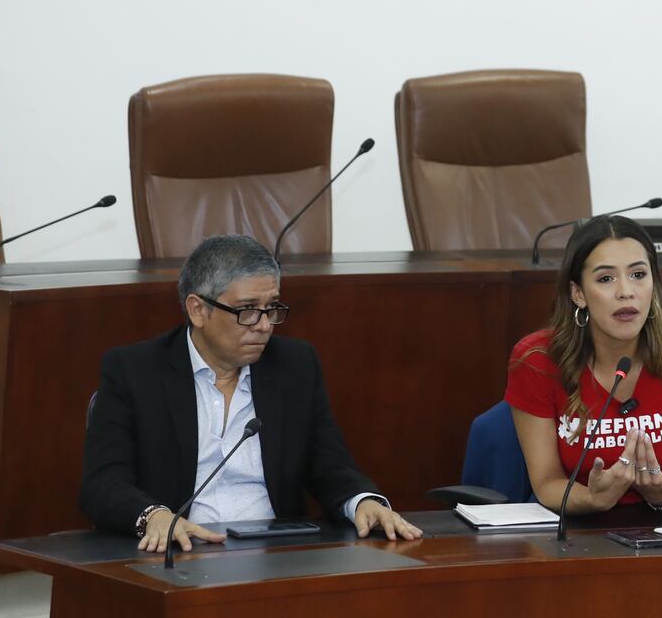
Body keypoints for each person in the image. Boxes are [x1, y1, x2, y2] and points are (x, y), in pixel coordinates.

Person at [80, 234, 421, 553]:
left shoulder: (295, 365)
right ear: (198, 310)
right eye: (247, 310)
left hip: (276, 553)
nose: (264, 325)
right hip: (182, 550)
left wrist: (363, 502)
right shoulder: (135, 371)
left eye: (272, 307)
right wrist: (153, 516)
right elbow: (102, 483)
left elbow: (328, 463)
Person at [506, 215, 662, 513]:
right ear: (578, 293)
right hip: (574, 529)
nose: (626, 291)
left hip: (661, 528)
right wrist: (593, 500)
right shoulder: (536, 359)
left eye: (638, 274)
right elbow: (546, 483)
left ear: (654, 283)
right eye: (605, 278)